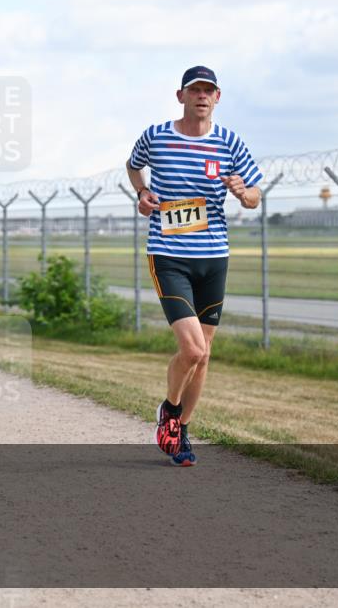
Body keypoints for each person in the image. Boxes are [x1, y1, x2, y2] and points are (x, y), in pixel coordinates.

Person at [126, 65, 263, 467]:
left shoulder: (229, 143)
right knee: (192, 347)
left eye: (209, 90)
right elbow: (134, 166)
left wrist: (243, 193)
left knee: (204, 356)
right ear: (180, 96)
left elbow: (255, 195)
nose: (202, 96)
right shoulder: (157, 136)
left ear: (217, 98)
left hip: (213, 256)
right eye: (195, 90)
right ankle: (169, 410)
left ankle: (181, 430)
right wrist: (143, 192)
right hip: (168, 254)